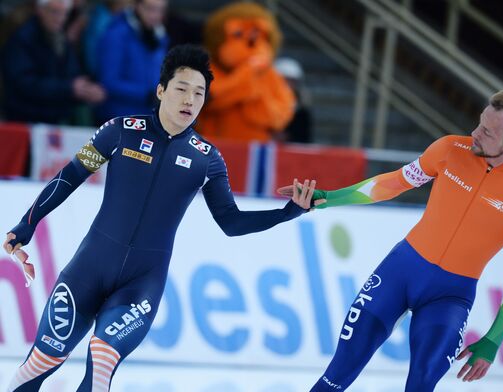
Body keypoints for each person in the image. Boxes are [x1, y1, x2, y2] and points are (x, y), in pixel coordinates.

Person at [3, 44, 317, 391]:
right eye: (182, 89)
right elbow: (70, 176)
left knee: (103, 356)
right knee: (41, 361)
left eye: (199, 93)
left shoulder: (207, 159)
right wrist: (27, 223)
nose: (190, 100)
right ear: (161, 91)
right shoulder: (120, 131)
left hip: (140, 286)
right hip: (86, 273)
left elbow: (230, 222)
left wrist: (289, 212)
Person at [279, 85, 503, 391]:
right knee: (337, 374)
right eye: (479, 121)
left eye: (487, 131)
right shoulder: (449, 150)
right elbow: (392, 184)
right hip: (400, 271)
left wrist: (493, 340)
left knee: (421, 384)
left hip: (449, 296)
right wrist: (326, 197)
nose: (474, 132)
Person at [0, 0, 105, 124]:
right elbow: (24, 83)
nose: (59, 18)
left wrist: (86, 90)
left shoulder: (60, 39)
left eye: (64, 13)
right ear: (40, 10)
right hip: (25, 119)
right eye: (54, 12)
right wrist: (69, 88)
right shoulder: (22, 39)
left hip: (53, 118)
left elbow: (71, 75)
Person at [94, 0, 169, 124]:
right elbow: (108, 82)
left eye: (160, 10)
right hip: (118, 119)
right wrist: (146, 95)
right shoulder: (116, 35)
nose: (155, 15)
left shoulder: (160, 36)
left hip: (149, 118)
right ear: (137, 6)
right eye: (150, 9)